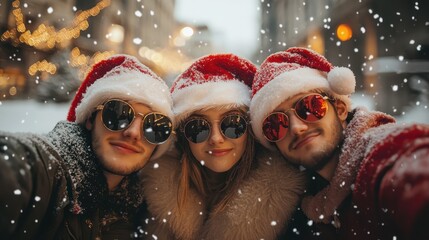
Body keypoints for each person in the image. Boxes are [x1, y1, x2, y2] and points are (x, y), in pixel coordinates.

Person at [249, 46, 429, 239]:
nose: (296, 127)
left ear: (341, 109)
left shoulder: (381, 150)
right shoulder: (302, 205)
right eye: (275, 124)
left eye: (310, 106)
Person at [0, 54, 175, 239]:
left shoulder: (139, 211)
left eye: (153, 126)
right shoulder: (46, 170)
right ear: (91, 118)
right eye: (118, 113)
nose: (133, 132)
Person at [140, 54, 305, 239]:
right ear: (183, 138)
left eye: (233, 124)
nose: (216, 138)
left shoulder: (296, 203)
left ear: (250, 130)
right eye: (198, 127)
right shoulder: (144, 196)